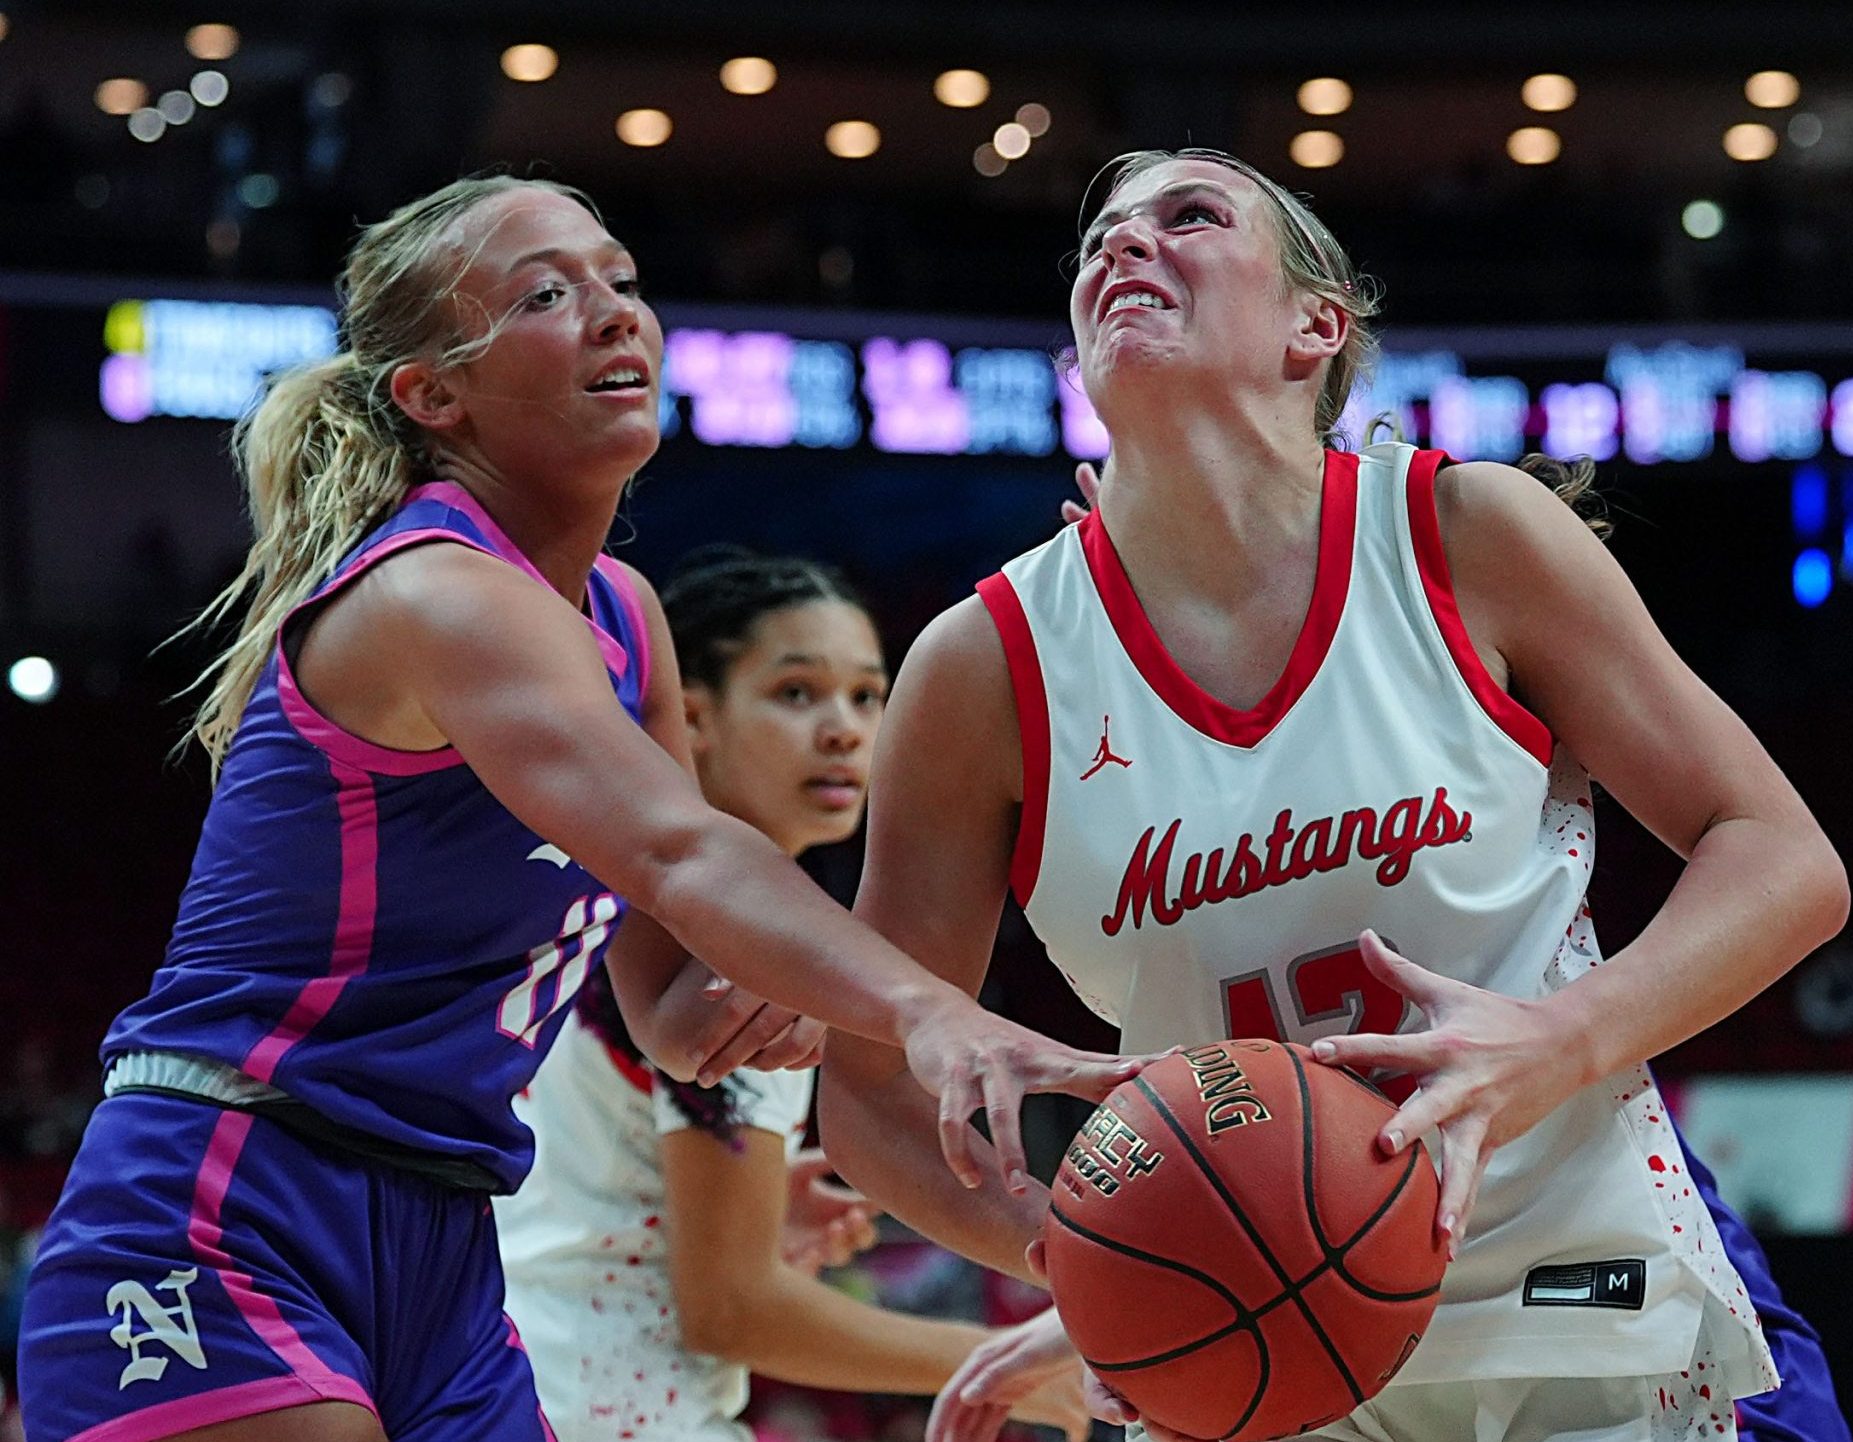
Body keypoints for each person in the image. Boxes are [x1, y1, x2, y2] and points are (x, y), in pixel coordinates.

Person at [15, 177, 1131, 1442]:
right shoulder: (435, 591)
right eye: (547, 294)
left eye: (621, 281)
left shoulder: (625, 614)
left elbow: (661, 996)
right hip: (227, 1189)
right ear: (433, 395)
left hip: (443, 1227)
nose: (614, 316)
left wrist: (753, 1004)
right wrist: (932, 1012)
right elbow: (681, 844)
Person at [816, 147, 1852, 1442]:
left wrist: (1567, 1035)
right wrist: (1083, 1254)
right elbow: (862, 1092)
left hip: (1580, 1286)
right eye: (1098, 240)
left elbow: (1781, 856)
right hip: (1248, 1366)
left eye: (1188, 218)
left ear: (1320, 324)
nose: (1122, 248)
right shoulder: (983, 665)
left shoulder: (1468, 535)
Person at [497, 551, 1090, 1442]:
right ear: (690, 718)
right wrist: (1000, 1362)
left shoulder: (612, 891)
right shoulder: (751, 952)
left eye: (867, 695)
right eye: (796, 693)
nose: (845, 730)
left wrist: (741, 1209)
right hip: (614, 1410)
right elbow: (734, 1311)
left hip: (520, 1379)